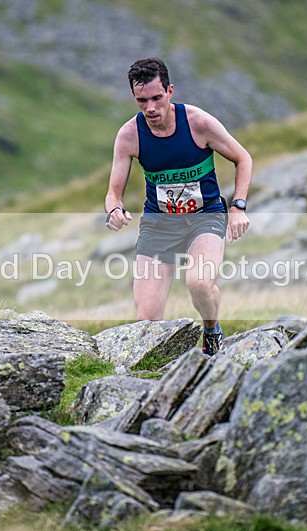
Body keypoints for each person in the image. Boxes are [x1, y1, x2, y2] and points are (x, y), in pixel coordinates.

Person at [105, 57, 252, 356]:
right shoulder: (129, 135)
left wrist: (237, 207)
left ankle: (211, 331)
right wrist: (114, 211)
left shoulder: (198, 123)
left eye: (157, 98)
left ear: (170, 90)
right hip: (159, 225)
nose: (150, 108)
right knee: (145, 321)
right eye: (141, 101)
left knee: (199, 282)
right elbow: (113, 193)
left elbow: (243, 158)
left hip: (205, 217)